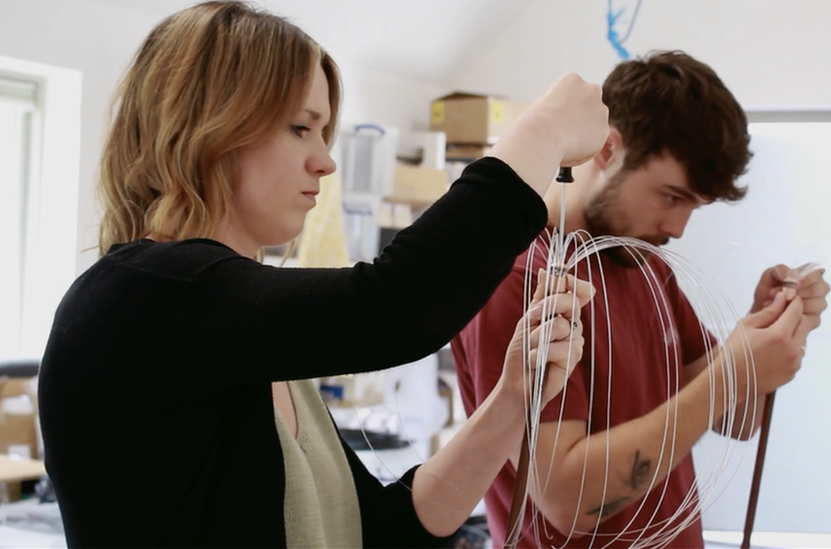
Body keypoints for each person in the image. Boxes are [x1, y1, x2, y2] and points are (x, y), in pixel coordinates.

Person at [35, 2, 609, 548]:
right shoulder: (144, 293)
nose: (326, 160)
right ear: (209, 125)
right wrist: (542, 134)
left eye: (324, 132)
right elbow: (395, 306)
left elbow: (379, 531)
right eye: (299, 128)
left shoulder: (239, 341)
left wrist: (512, 400)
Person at [451, 50, 831, 549]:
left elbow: (737, 420)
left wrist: (767, 331)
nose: (676, 228)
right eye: (671, 196)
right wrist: (730, 370)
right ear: (608, 149)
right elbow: (569, 500)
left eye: (694, 206)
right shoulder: (520, 278)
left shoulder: (646, 266)